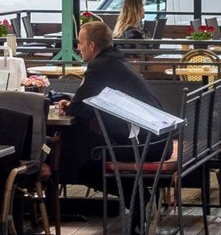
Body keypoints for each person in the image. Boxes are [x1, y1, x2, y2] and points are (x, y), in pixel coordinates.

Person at [54, 20, 163, 190]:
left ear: (91, 46)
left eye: (80, 43)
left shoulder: (99, 67)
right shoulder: (116, 60)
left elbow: (78, 108)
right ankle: (139, 199)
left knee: (87, 164)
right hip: (160, 139)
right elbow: (88, 100)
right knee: (92, 149)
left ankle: (139, 201)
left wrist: (67, 105)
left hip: (146, 145)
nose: (78, 48)